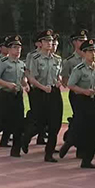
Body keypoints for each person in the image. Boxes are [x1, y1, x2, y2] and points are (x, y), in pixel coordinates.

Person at [62, 38, 95, 168]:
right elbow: (71, 85)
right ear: (84, 53)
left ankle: (87, 160)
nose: (93, 54)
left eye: (94, 51)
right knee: (81, 126)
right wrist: (84, 91)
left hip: (91, 99)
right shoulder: (79, 69)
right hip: (80, 99)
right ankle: (70, 141)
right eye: (90, 51)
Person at [24, 29, 63, 162]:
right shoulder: (35, 58)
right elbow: (31, 77)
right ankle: (26, 138)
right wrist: (42, 87)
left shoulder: (57, 59)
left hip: (53, 92)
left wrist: (59, 81)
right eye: (46, 41)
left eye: (51, 41)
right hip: (39, 92)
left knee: (55, 124)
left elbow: (58, 75)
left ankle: (49, 153)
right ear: (40, 43)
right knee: (40, 123)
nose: (49, 43)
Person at [0, 35, 29, 158]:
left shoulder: (21, 64)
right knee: (5, 122)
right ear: (8, 49)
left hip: (17, 95)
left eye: (19, 47)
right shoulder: (2, 62)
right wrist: (7, 84)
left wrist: (25, 84)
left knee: (19, 123)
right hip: (5, 95)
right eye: (14, 47)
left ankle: (15, 150)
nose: (18, 50)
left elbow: (22, 78)